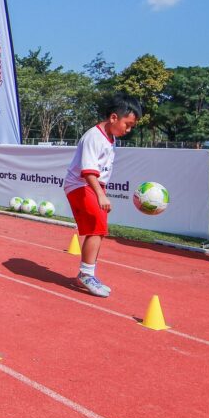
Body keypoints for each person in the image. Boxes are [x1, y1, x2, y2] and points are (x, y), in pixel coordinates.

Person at [62, 95, 142, 298]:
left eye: (132, 127)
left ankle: (87, 273)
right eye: (127, 124)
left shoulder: (111, 138)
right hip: (80, 184)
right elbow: (88, 171)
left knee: (98, 229)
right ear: (114, 117)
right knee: (97, 227)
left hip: (94, 185)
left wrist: (101, 192)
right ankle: (86, 275)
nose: (128, 130)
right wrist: (101, 195)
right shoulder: (94, 137)